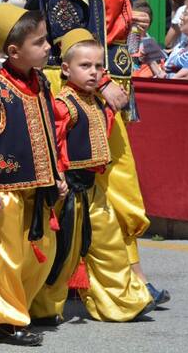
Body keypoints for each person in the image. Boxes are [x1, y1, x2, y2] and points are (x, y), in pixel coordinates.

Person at [41, 0, 169, 305]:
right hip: (81, 92)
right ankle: (89, 279)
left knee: (115, 183)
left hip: (110, 85)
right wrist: (102, 82)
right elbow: (65, 33)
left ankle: (126, 279)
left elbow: (117, 31)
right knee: (100, 183)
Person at [30, 29, 154, 325]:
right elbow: (53, 145)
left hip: (92, 191)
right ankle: (44, 308)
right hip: (67, 194)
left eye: (99, 66)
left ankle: (124, 302)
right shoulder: (63, 105)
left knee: (110, 246)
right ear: (65, 69)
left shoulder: (98, 103)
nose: (93, 72)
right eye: (85, 66)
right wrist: (58, 178)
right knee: (63, 254)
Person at [0, 4, 68, 347]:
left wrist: (57, 172)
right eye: (39, 42)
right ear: (14, 52)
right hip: (4, 192)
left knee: (42, 252)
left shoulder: (41, 82)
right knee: (5, 257)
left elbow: (52, 130)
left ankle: (19, 308)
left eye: (45, 40)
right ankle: (8, 321)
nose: (47, 47)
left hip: (40, 189)